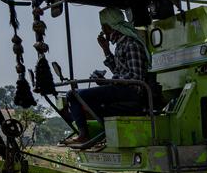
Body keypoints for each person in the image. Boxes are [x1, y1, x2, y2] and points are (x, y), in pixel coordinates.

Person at [63, 8, 149, 144]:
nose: (102, 31)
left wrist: (110, 81)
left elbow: (136, 78)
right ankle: (105, 134)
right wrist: (106, 49)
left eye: (103, 27)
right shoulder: (120, 45)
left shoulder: (131, 44)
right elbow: (118, 71)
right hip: (121, 89)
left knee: (73, 95)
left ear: (110, 27)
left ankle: (83, 135)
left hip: (130, 92)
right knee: (87, 102)